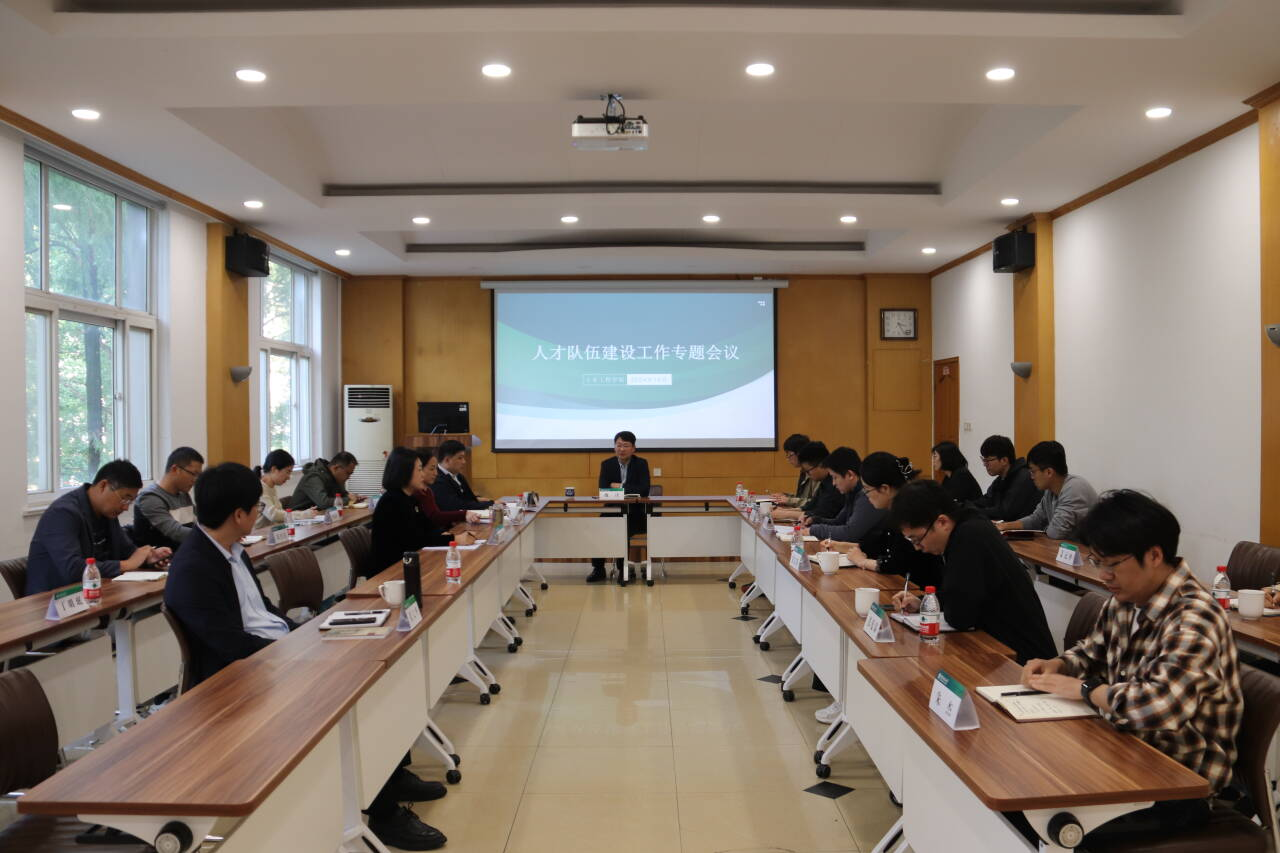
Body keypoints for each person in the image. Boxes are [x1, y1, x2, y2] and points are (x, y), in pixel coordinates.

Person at [163, 463, 448, 850]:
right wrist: (294, 649)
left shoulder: (231, 550)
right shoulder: (194, 567)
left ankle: (392, 775)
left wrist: (302, 633)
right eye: (255, 507)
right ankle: (384, 814)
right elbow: (229, 645)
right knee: (353, 693)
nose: (258, 514)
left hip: (275, 653)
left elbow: (262, 611)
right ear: (239, 515)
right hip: (244, 678)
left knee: (380, 672)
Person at [1020, 490, 1242, 844]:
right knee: (1026, 784)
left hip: (1178, 785)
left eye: (1111, 564)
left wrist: (1086, 690)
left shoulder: (1194, 616)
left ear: (1154, 555)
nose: (1104, 575)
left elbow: (1160, 706)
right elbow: (1092, 652)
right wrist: (1058, 664)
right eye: (1096, 562)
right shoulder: (1126, 599)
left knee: (1043, 822)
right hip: (1122, 753)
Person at [891, 480, 1056, 663]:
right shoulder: (967, 524)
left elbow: (959, 616)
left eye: (917, 539)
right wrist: (922, 602)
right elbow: (960, 596)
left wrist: (939, 603)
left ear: (942, 522)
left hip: (1021, 659)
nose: (917, 547)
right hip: (1000, 647)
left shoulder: (968, 538)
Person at [26, 460, 172, 595]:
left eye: (131, 501)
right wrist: (126, 565)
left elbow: (127, 551)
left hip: (95, 591)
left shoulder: (107, 513)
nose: (126, 507)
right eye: (125, 498)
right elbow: (73, 569)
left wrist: (148, 557)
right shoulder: (63, 513)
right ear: (103, 486)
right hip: (54, 601)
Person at [822, 452, 942, 591]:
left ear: (885, 488)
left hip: (919, 589)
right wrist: (840, 546)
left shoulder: (908, 513)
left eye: (867, 490)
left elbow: (896, 563)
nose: (866, 496)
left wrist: (862, 561)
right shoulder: (893, 510)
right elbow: (880, 545)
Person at [371, 448, 476, 577]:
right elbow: (416, 540)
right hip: (391, 571)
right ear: (405, 472)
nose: (422, 475)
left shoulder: (410, 498)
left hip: (409, 562)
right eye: (419, 469)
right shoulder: (392, 501)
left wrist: (448, 535)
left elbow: (428, 527)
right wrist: (454, 539)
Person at [997, 440, 1099, 541]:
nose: (1031, 477)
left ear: (1049, 472)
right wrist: (1004, 526)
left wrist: (1045, 528)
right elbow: (1036, 519)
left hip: (1088, 549)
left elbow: (1056, 533)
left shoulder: (1074, 489)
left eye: (1033, 472)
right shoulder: (1050, 490)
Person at [588, 430, 651, 583]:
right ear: (614, 447)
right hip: (612, 510)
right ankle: (598, 569)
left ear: (633, 448)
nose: (621, 449)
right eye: (618, 445)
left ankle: (623, 569)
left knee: (623, 529)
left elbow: (644, 489)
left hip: (636, 512)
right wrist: (629, 490)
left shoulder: (641, 464)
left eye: (625, 446)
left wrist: (619, 486)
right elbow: (604, 490)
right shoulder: (607, 464)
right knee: (597, 529)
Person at [800, 447, 886, 545]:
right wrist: (815, 520)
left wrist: (814, 530)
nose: (833, 483)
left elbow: (850, 533)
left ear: (850, 475)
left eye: (835, 477)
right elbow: (839, 522)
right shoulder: (852, 492)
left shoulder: (867, 495)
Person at [131, 447, 204, 549]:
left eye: (198, 475)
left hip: (183, 554)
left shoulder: (183, 494)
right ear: (175, 469)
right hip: (159, 557)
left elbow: (199, 523)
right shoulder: (150, 497)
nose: (195, 480)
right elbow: (175, 532)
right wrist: (212, 537)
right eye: (193, 474)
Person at [972, 435, 1041, 522]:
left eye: (988, 460)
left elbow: (1005, 512)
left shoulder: (1024, 477)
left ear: (1004, 460)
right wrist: (965, 507)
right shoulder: (1001, 479)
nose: (985, 464)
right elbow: (986, 501)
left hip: (1026, 529)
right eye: (983, 460)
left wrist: (974, 512)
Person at [414, 448, 483, 530]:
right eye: (432, 469)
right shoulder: (413, 493)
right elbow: (434, 518)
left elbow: (435, 516)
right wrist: (463, 515)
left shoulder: (427, 491)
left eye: (436, 469)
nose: (436, 473)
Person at [772, 441, 842, 523]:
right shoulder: (824, 481)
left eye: (808, 471)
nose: (808, 475)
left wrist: (786, 514)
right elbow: (810, 506)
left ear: (821, 464)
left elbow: (823, 514)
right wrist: (783, 511)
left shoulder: (835, 483)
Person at [254, 449, 313, 528]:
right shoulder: (259, 488)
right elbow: (274, 515)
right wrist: (302, 514)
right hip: (259, 534)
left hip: (271, 532)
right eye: (288, 472)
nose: (289, 477)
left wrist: (304, 513)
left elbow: (280, 514)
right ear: (274, 469)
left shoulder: (271, 487)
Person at [431, 440, 493, 512]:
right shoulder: (437, 480)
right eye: (460, 458)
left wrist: (482, 500)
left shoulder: (458, 476)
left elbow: (468, 498)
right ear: (447, 460)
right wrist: (491, 504)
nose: (464, 462)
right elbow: (458, 505)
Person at [290, 451, 360, 511]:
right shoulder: (313, 477)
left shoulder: (335, 477)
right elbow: (324, 503)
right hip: (299, 517)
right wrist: (349, 499)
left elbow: (342, 494)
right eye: (347, 473)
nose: (348, 477)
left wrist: (354, 497)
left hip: (320, 515)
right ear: (336, 468)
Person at [769, 433, 816, 509]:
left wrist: (789, 500)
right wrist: (785, 496)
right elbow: (801, 497)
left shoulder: (815, 472)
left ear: (800, 453)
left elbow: (815, 503)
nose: (788, 459)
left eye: (790, 455)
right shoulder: (804, 471)